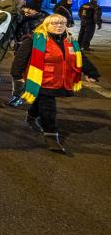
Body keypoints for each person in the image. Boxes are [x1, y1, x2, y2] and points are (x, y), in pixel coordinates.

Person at [10, 14, 100, 153]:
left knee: (41, 101)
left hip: (60, 80)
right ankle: (51, 135)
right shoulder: (34, 39)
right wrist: (17, 76)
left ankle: (31, 116)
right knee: (49, 109)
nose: (59, 26)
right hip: (40, 80)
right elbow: (20, 59)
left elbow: (80, 58)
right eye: (54, 23)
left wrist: (92, 73)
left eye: (62, 24)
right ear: (46, 25)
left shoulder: (70, 41)